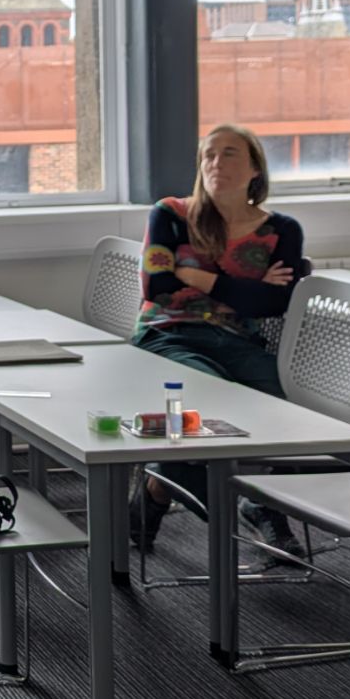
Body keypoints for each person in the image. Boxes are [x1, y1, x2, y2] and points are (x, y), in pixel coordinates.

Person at [129, 123, 304, 557]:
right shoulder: (170, 214)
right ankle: (202, 499)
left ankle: (257, 503)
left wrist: (194, 275)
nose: (216, 162)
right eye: (208, 154)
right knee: (208, 405)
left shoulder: (281, 230)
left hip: (238, 340)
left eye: (229, 153)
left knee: (295, 410)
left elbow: (273, 303)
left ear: (255, 169)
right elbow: (156, 287)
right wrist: (244, 288)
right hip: (168, 333)